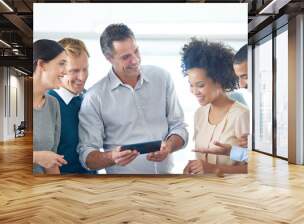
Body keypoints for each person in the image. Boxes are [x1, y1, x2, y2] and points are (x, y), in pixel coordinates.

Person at [77, 23, 188, 174]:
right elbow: (87, 156)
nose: (135, 60)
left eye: (136, 51)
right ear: (109, 58)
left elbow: (179, 127)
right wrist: (111, 157)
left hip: (166, 182)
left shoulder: (162, 78)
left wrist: (168, 146)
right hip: (123, 189)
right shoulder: (94, 98)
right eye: (126, 57)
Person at [181, 39, 249, 175]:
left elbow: (256, 167)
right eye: (191, 85)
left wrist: (216, 169)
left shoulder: (241, 115)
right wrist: (192, 168)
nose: (194, 92)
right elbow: (201, 161)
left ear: (219, 80)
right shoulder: (199, 114)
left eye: (200, 85)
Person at [48, 38, 95, 174]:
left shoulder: (89, 98)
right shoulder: (48, 104)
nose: (82, 77)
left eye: (85, 69)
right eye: (74, 71)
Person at [33, 39, 68, 174]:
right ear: (42, 64)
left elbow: (51, 162)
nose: (65, 71)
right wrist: (36, 157)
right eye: (61, 64)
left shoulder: (53, 104)